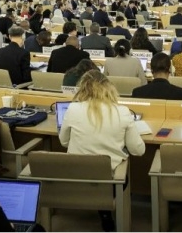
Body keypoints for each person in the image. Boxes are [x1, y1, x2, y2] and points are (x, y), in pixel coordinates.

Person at [60, 71, 146, 232]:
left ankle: (104, 213)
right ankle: (108, 214)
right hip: (110, 184)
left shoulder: (73, 109)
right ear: (109, 88)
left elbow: (63, 142)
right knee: (116, 166)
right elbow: (138, 150)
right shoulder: (122, 111)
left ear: (82, 89)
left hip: (76, 180)